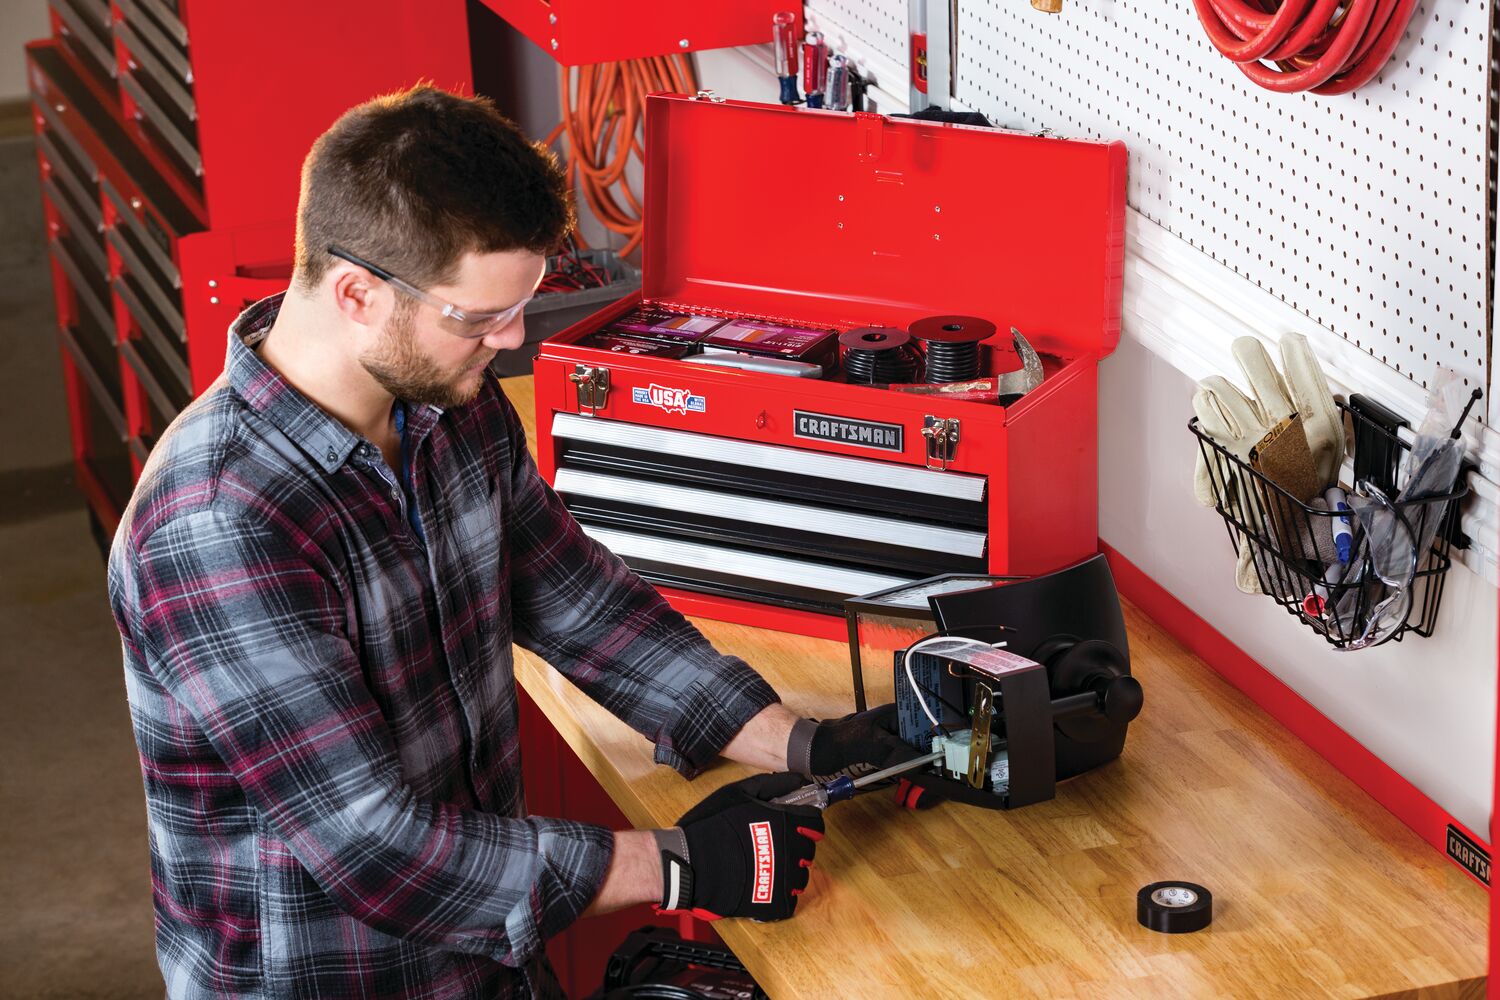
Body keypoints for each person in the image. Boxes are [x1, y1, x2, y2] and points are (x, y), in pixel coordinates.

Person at [106, 85, 919, 999]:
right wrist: (680, 864)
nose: (513, 337)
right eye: (478, 316)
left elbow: (577, 599)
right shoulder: (220, 523)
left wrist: (801, 743)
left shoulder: (445, 404)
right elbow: (375, 844)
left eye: (521, 303)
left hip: (485, 961)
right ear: (356, 292)